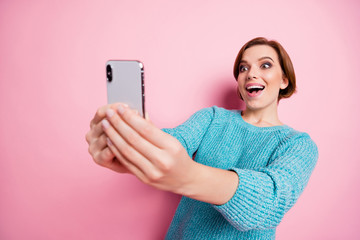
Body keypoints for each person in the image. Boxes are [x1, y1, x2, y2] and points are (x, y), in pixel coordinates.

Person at [85, 37, 318, 240]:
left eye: (265, 65)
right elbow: (177, 142)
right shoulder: (212, 117)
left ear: (284, 80)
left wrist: (187, 175)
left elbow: (270, 200)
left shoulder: (297, 144)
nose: (251, 74)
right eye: (243, 68)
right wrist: (133, 140)